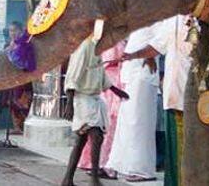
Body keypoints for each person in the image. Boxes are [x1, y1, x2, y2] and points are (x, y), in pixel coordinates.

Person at [117, 16, 193, 186]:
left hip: (191, 95)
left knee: (188, 151)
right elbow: (157, 46)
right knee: (174, 152)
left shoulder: (197, 18)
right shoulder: (171, 20)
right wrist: (133, 55)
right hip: (172, 94)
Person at [61, 37, 129, 186]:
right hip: (82, 98)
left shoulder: (97, 47)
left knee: (81, 140)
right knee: (96, 136)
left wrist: (116, 90)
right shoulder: (84, 46)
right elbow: (73, 75)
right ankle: (94, 179)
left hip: (94, 98)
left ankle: (68, 179)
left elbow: (100, 73)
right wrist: (69, 104)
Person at [106, 23, 163, 182]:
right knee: (126, 122)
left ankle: (142, 170)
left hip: (144, 73)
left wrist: (150, 55)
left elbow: (160, 40)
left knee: (139, 123)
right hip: (131, 73)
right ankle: (119, 165)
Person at [77, 40, 126, 177]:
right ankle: (96, 162)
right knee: (103, 123)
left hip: (112, 81)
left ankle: (98, 162)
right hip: (108, 81)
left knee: (106, 123)